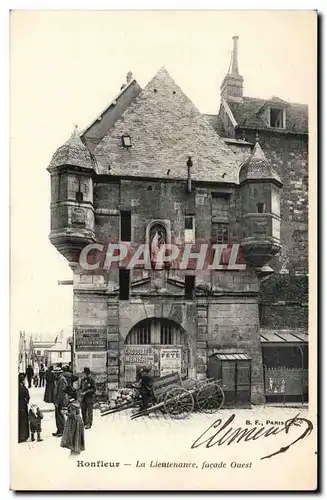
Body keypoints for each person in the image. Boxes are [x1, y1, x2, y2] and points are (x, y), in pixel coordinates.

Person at [60, 386, 85, 456]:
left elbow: (72, 415)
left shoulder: (72, 404)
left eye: (66, 394)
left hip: (74, 422)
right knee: (76, 435)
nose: (65, 396)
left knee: (73, 435)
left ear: (69, 395)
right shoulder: (75, 402)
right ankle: (76, 449)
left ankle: (74, 451)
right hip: (78, 421)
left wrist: (65, 413)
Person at [52, 370, 68, 437]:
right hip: (58, 401)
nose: (54, 375)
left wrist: (57, 402)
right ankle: (59, 430)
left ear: (58, 373)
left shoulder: (61, 380)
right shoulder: (58, 379)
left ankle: (62, 431)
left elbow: (61, 393)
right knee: (57, 416)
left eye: (55, 373)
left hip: (61, 401)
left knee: (60, 416)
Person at [18, 373, 30, 443]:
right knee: (23, 420)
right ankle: (23, 436)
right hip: (22, 405)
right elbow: (27, 397)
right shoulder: (23, 387)